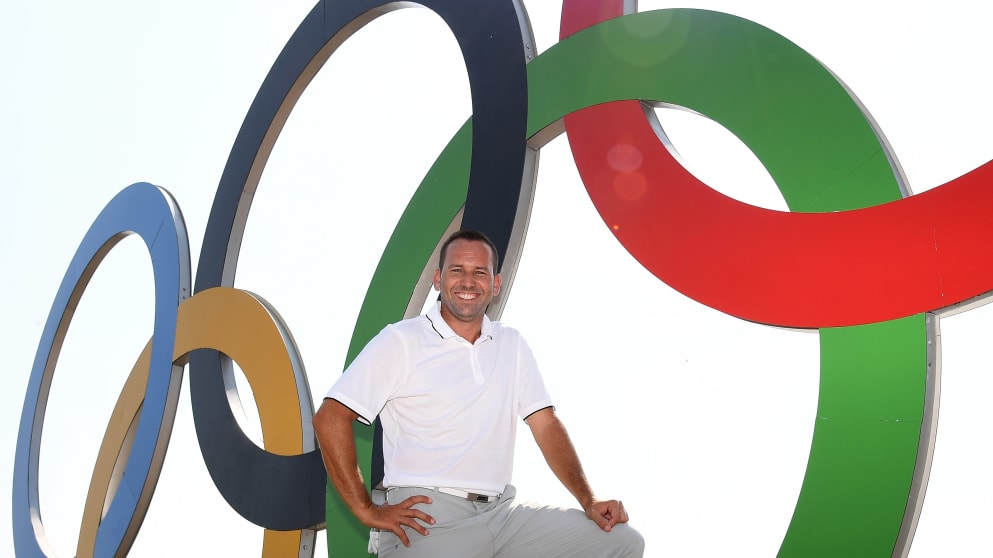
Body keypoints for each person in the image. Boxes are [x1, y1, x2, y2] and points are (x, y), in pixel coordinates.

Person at [312, 229, 644, 557]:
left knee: (622, 542)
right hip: (430, 518)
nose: (468, 281)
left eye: (479, 272)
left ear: (495, 284)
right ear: (438, 279)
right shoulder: (401, 340)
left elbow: (546, 425)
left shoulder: (511, 344)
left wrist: (588, 499)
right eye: (457, 270)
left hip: (503, 514)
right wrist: (366, 509)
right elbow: (330, 419)